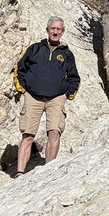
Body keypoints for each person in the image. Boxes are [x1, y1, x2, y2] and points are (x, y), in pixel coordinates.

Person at [12, 16, 80, 175]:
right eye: (53, 28)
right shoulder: (34, 49)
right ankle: (20, 172)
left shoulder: (67, 54)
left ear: (62, 32)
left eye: (58, 29)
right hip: (33, 97)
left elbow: (74, 77)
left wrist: (67, 94)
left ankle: (48, 172)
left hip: (56, 98)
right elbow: (19, 69)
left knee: (54, 132)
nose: (55, 32)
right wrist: (23, 88)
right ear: (47, 30)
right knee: (28, 134)